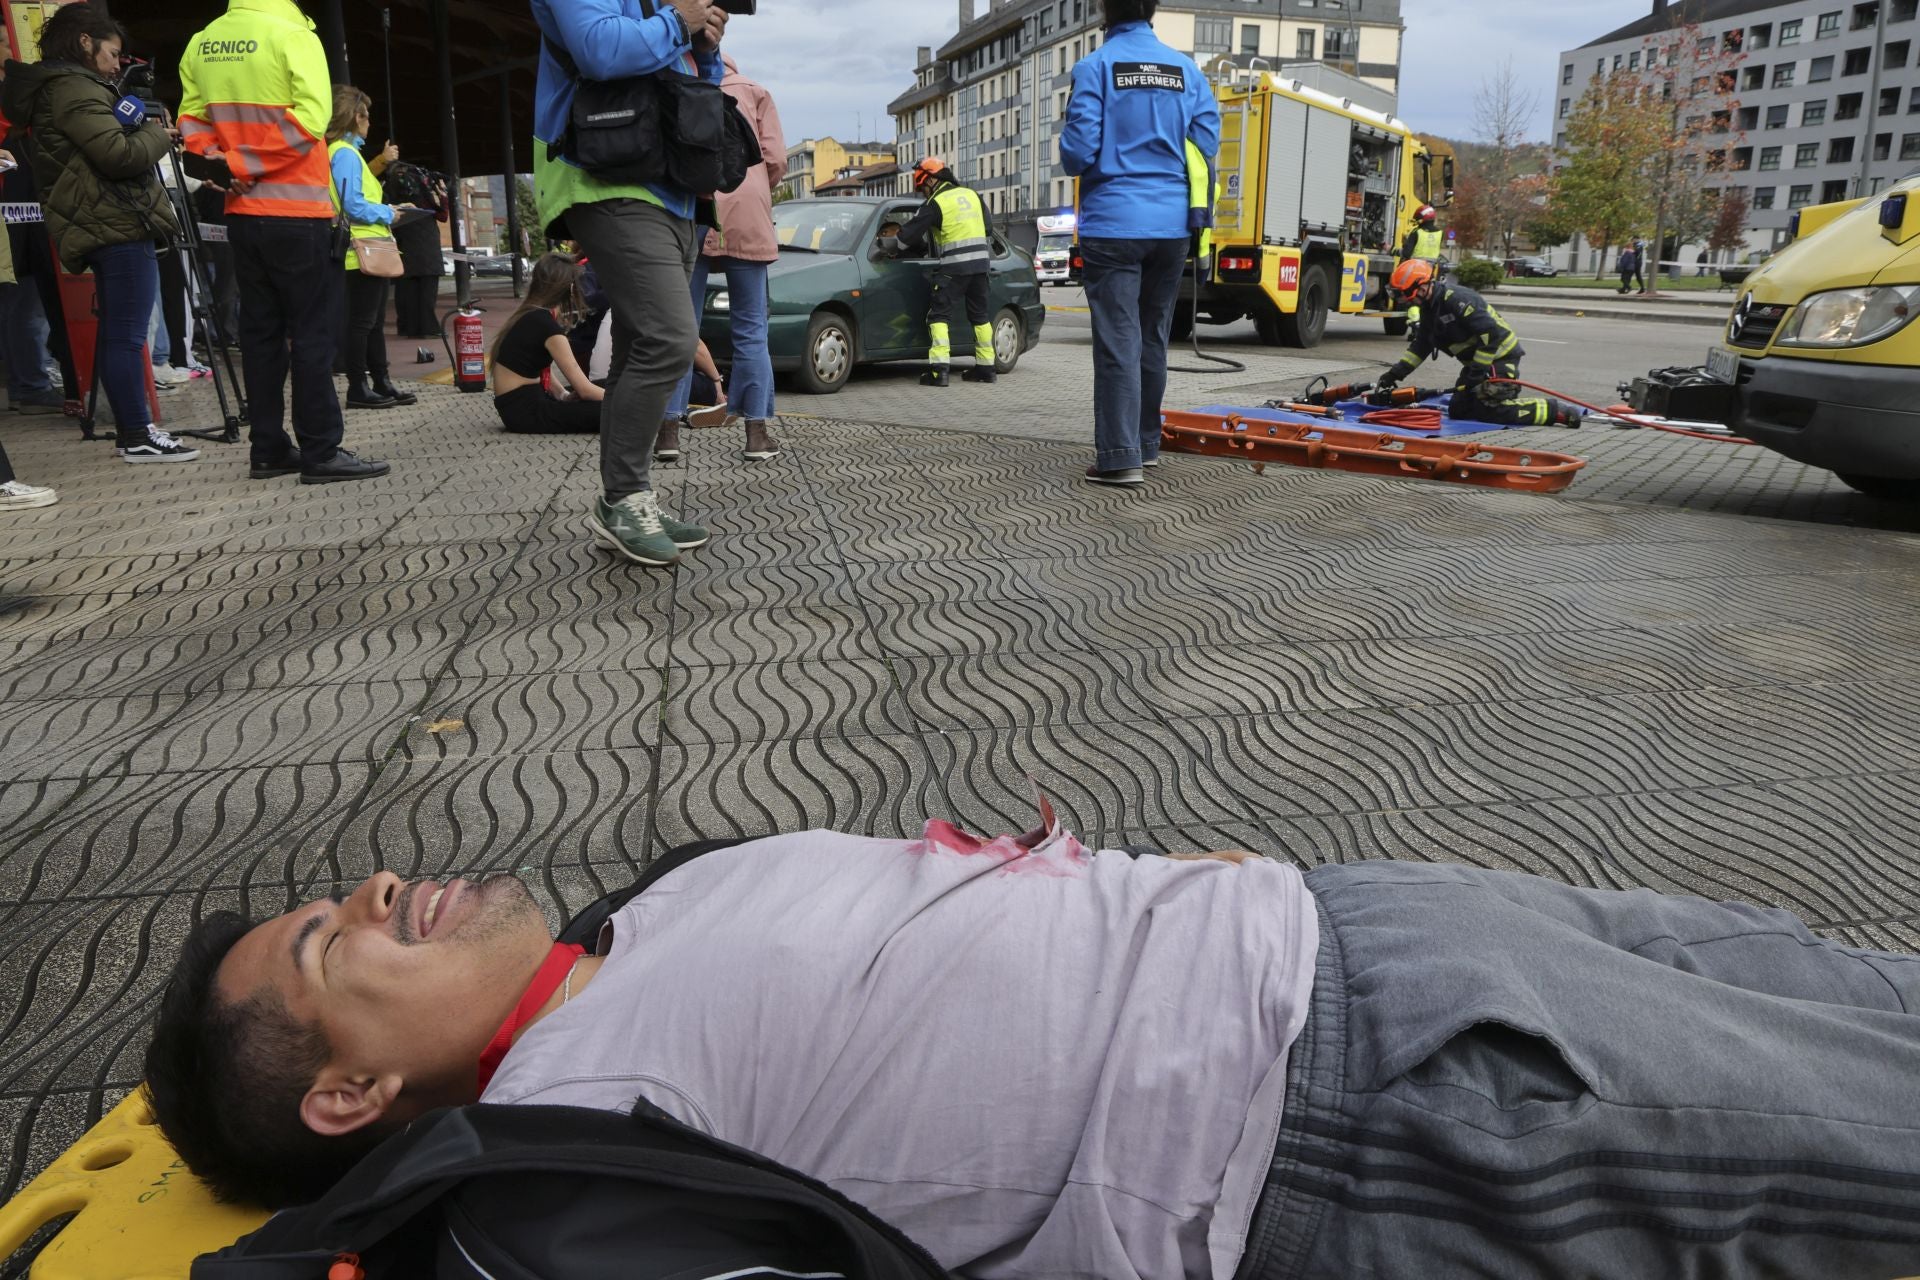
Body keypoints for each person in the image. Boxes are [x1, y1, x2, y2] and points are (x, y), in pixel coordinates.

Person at [145, 814, 1920, 1278]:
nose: (381, 882)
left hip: (1358, 919)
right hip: (1364, 1109)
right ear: (348, 1091)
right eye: (332, 937)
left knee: (1867, 995)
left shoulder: (632, 932)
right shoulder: (560, 1169)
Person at [531, 0, 720, 568]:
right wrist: (679, 23)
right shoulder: (664, 11)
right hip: (604, 178)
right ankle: (624, 497)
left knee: (641, 342)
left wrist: (704, 49)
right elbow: (599, 49)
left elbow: (694, 89)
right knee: (668, 338)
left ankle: (627, 495)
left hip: (669, 186)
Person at [178, 0, 390, 485]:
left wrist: (221, 163)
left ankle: (269, 449)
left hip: (244, 218)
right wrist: (246, 163)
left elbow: (190, 118)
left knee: (261, 337)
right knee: (313, 335)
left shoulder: (203, 40)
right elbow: (312, 119)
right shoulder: (294, 36)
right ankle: (321, 451)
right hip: (298, 215)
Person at [0, 5, 199, 465]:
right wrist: (156, 133)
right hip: (117, 218)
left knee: (119, 332)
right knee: (128, 336)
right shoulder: (72, 88)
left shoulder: (59, 88)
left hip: (100, 218)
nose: (116, 65)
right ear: (85, 43)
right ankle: (138, 433)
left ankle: (134, 432)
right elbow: (117, 154)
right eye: (112, 54)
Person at [1059, 0, 1219, 487]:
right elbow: (1207, 141)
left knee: (1118, 340)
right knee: (1153, 336)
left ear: (1106, 11)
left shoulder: (1094, 67)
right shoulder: (1186, 69)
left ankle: (1119, 458)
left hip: (1113, 223)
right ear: (1151, 10)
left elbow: (1078, 152)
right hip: (1172, 226)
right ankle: (1147, 445)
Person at [660, 53, 784, 463]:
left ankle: (667, 435)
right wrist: (755, 188)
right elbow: (776, 159)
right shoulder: (755, 91)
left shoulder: (678, 82)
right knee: (751, 328)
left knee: (681, 325)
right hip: (746, 209)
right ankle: (756, 435)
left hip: (692, 205)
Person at [1377, 258, 1582, 428]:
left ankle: (1554, 411)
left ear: (1421, 287)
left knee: (1489, 409)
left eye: (1403, 293)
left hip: (1500, 358)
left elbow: (1491, 336)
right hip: (1478, 365)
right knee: (1459, 410)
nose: (1402, 299)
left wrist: (1476, 374)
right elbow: (1421, 346)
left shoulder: (1457, 300)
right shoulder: (1430, 309)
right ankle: (1484, 394)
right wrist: (1394, 374)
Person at [325, 86, 414, 410]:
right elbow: (352, 204)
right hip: (360, 250)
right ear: (355, 117)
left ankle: (379, 382)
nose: (370, 123)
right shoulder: (345, 154)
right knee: (363, 324)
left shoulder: (340, 152)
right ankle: (360, 387)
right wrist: (387, 212)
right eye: (366, 116)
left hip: (363, 248)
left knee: (371, 323)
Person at [485, 252, 636, 442]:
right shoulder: (547, 326)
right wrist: (630, 403)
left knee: (607, 386)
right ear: (569, 287)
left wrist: (563, 395)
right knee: (618, 411)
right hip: (526, 413)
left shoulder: (530, 315)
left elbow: (540, 366)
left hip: (520, 405)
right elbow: (584, 390)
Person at [881, 157, 994, 389]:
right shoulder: (972, 195)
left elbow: (906, 237)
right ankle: (986, 369)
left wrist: (885, 247)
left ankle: (938, 372)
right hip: (981, 266)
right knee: (980, 317)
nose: (923, 192)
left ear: (931, 180)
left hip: (955, 268)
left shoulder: (936, 203)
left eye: (923, 186)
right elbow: (988, 228)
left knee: (938, 316)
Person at [382, 161, 445, 338]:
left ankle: (407, 327)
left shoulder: (389, 191)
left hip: (403, 243)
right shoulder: (424, 192)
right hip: (427, 248)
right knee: (426, 292)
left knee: (406, 291)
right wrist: (441, 193)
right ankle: (428, 328)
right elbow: (442, 214)